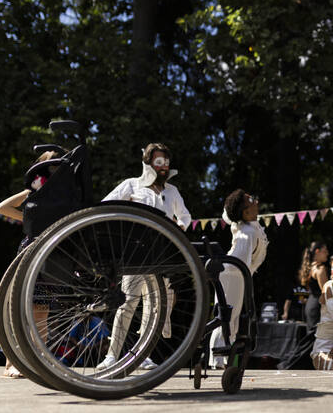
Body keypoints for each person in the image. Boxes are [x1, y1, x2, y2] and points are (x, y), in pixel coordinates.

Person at [97, 143, 191, 371]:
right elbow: (105, 205)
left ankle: (144, 354)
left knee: (155, 306)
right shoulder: (132, 185)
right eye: (159, 162)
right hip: (136, 252)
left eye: (166, 162)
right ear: (148, 163)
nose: (163, 167)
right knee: (128, 302)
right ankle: (112, 355)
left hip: (162, 253)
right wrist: (125, 210)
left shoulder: (172, 191)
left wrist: (179, 228)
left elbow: (185, 216)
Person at [0, 149, 63, 378]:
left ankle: (39, 361)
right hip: (31, 250)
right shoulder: (34, 190)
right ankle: (11, 363)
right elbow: (2, 208)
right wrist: (29, 219)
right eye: (51, 164)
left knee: (41, 311)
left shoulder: (66, 193)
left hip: (52, 253)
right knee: (20, 308)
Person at [208, 189, 268, 369]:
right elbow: (237, 261)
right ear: (245, 212)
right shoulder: (246, 232)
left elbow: (227, 215)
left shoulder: (250, 225)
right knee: (226, 317)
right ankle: (217, 361)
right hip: (232, 275)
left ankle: (225, 360)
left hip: (239, 275)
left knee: (232, 320)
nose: (256, 202)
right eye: (251, 201)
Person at [297, 241, 329, 330]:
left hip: (310, 305)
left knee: (312, 335)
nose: (327, 253)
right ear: (317, 251)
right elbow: (326, 293)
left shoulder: (310, 267)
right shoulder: (320, 269)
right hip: (318, 307)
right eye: (325, 250)